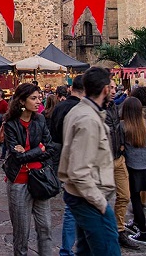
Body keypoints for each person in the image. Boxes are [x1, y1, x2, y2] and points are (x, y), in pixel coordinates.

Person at [59, 67, 121, 256]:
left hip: (83, 196)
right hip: (89, 198)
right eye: (111, 87)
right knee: (108, 251)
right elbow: (78, 170)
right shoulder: (88, 119)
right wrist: (100, 203)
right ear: (104, 90)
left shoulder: (81, 112)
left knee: (86, 250)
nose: (113, 91)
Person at [2, 83, 56, 256]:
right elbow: (16, 156)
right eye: (33, 98)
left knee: (45, 228)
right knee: (21, 234)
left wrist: (31, 151)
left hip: (40, 179)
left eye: (39, 98)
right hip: (19, 181)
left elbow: (50, 148)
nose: (38, 101)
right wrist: (38, 149)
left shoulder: (40, 119)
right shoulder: (11, 123)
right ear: (22, 101)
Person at [52, 76, 84, 256]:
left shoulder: (59, 107)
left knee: (71, 210)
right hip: (76, 158)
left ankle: (67, 250)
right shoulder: (81, 109)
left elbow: (53, 129)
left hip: (60, 149)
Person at [120, 97, 146, 245]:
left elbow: (121, 148)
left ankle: (143, 233)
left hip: (132, 167)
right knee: (141, 198)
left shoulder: (123, 126)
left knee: (135, 201)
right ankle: (137, 223)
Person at [105, 81, 136, 250]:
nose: (114, 91)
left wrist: (122, 144)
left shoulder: (113, 107)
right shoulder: (96, 109)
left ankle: (119, 229)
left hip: (118, 158)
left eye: (115, 88)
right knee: (101, 199)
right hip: (103, 161)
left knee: (124, 195)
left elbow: (117, 128)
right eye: (111, 87)